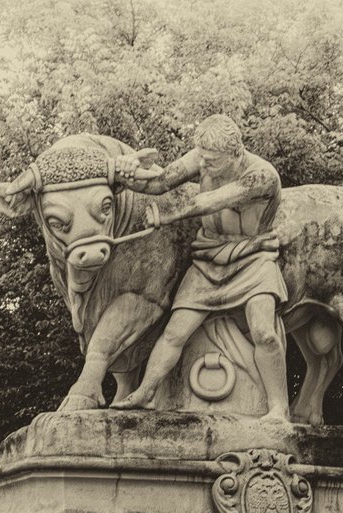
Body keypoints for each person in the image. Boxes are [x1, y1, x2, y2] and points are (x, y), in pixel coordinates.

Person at [112, 114, 290, 418]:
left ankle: (278, 407)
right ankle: (145, 392)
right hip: (209, 257)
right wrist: (126, 170)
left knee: (264, 332)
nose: (203, 167)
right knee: (174, 332)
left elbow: (211, 202)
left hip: (254, 257)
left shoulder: (261, 176)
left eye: (211, 162)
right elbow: (161, 182)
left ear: (236, 153)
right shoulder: (205, 156)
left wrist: (168, 217)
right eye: (202, 160)